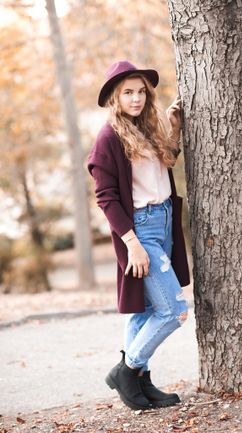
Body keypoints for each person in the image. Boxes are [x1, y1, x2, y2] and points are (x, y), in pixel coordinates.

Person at [87, 60, 190, 411]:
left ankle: (140, 386)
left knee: (144, 311)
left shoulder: (147, 127)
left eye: (141, 91)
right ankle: (127, 371)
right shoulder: (108, 137)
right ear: (115, 97)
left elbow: (168, 161)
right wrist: (132, 244)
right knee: (174, 310)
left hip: (162, 221)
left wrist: (174, 128)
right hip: (140, 229)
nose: (136, 98)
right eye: (128, 92)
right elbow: (106, 197)